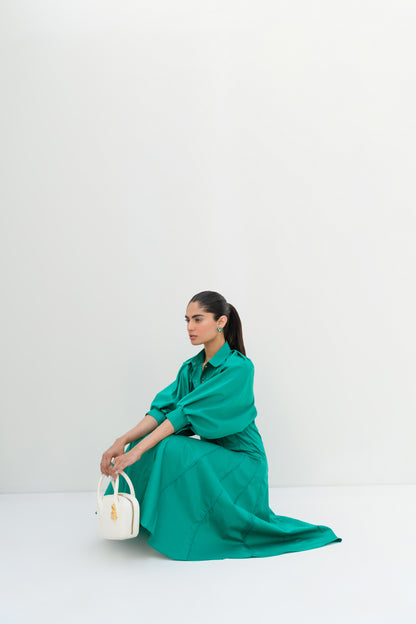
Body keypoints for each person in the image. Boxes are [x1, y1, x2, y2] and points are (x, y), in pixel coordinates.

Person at [100, 290, 341, 561]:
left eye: (198, 319)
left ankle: (175, 528)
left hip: (243, 462)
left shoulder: (239, 368)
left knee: (168, 446)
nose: (190, 327)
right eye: (187, 320)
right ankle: (134, 515)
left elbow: (183, 416)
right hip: (215, 456)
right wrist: (123, 441)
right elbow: (162, 411)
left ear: (221, 322)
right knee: (148, 443)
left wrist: (136, 452)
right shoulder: (191, 368)